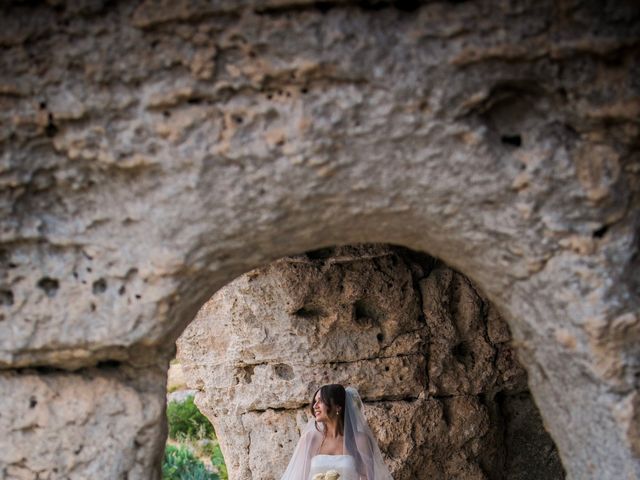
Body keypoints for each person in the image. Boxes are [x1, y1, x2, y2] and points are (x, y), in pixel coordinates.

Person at [281, 384, 393, 480]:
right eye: (315, 401)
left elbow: (367, 478)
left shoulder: (360, 440)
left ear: (338, 407)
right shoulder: (310, 439)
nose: (315, 406)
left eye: (320, 401)